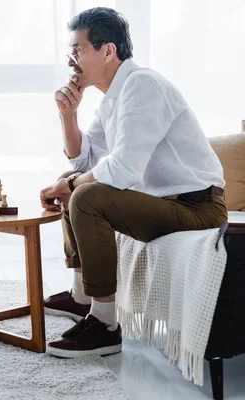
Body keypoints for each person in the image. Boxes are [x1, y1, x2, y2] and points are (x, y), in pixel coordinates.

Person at [40, 7, 227, 358]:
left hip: (197, 208)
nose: (71, 61)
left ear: (108, 51)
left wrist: (75, 185)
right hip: (167, 203)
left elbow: (124, 168)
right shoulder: (115, 97)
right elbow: (85, 159)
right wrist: (68, 115)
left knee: (85, 195)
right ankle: (82, 298)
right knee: (73, 180)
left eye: (77, 50)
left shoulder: (142, 86)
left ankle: (105, 325)